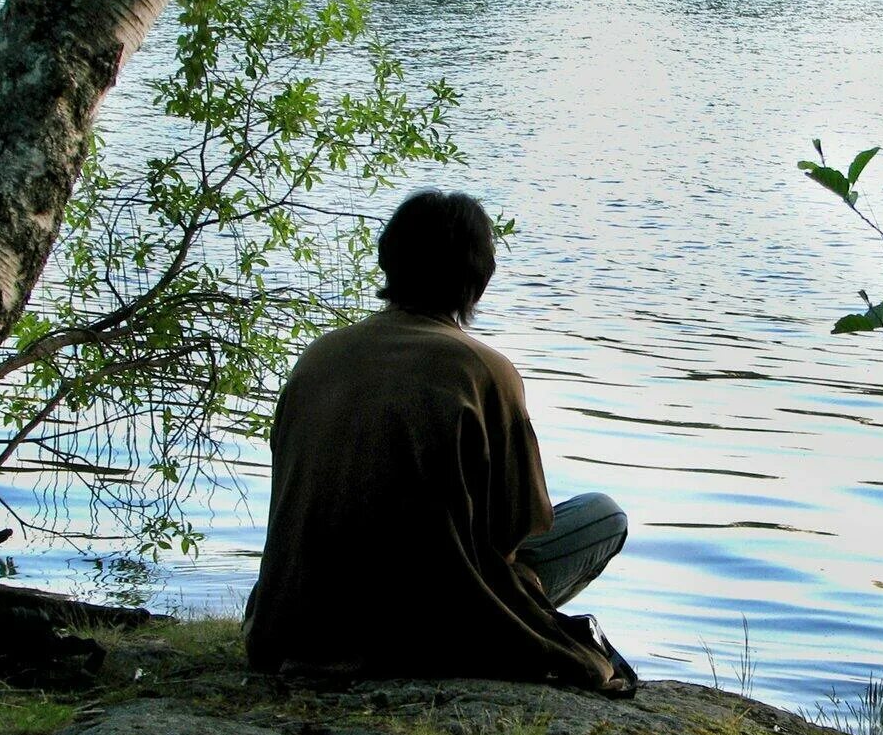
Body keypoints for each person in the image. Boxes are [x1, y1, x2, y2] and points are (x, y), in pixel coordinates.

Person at [243, 189, 633, 693]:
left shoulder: (318, 358)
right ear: (480, 280)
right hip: (430, 628)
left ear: (389, 262)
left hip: (293, 622)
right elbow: (514, 529)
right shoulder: (484, 370)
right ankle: (497, 620)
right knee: (604, 516)